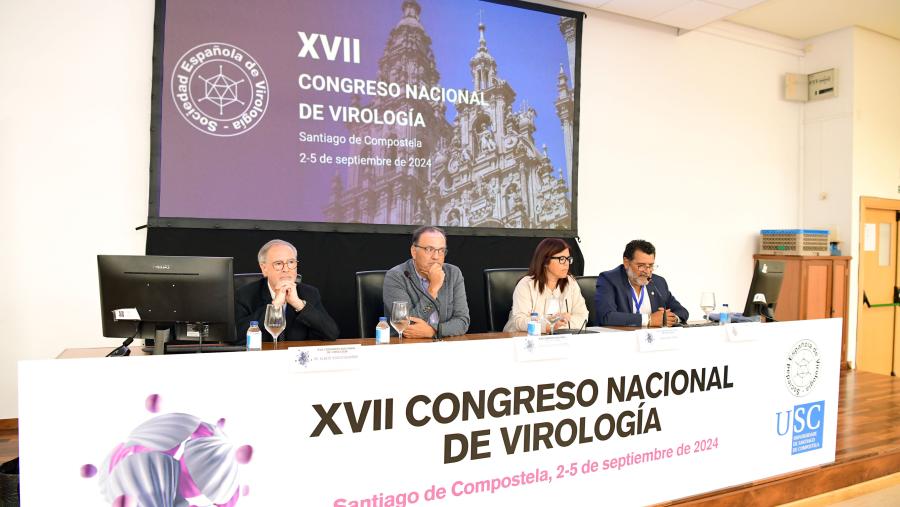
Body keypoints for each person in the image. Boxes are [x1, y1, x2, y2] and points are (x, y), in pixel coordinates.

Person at [235, 239, 339, 342]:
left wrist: (299, 304)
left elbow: (331, 333)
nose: (286, 269)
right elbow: (237, 337)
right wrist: (275, 306)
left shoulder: (309, 293)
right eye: (279, 264)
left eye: (291, 262)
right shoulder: (245, 295)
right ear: (264, 268)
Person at [383, 226, 470, 338]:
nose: (436, 257)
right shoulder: (396, 276)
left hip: (444, 346)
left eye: (441, 250)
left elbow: (463, 322)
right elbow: (406, 326)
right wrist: (433, 289)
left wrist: (433, 331)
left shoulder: (453, 273)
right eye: (429, 249)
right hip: (407, 347)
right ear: (414, 252)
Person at [595, 239, 688, 327]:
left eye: (651, 266)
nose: (647, 271)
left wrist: (671, 319)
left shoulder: (659, 282)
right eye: (641, 266)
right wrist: (648, 320)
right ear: (626, 262)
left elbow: (682, 311)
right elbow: (606, 316)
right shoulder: (609, 280)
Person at [503, 238, 589, 333]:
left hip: (559, 340)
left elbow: (582, 317)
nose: (567, 264)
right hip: (523, 340)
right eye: (562, 259)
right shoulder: (526, 285)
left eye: (568, 259)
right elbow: (519, 321)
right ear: (545, 261)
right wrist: (548, 325)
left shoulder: (571, 283)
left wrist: (554, 325)